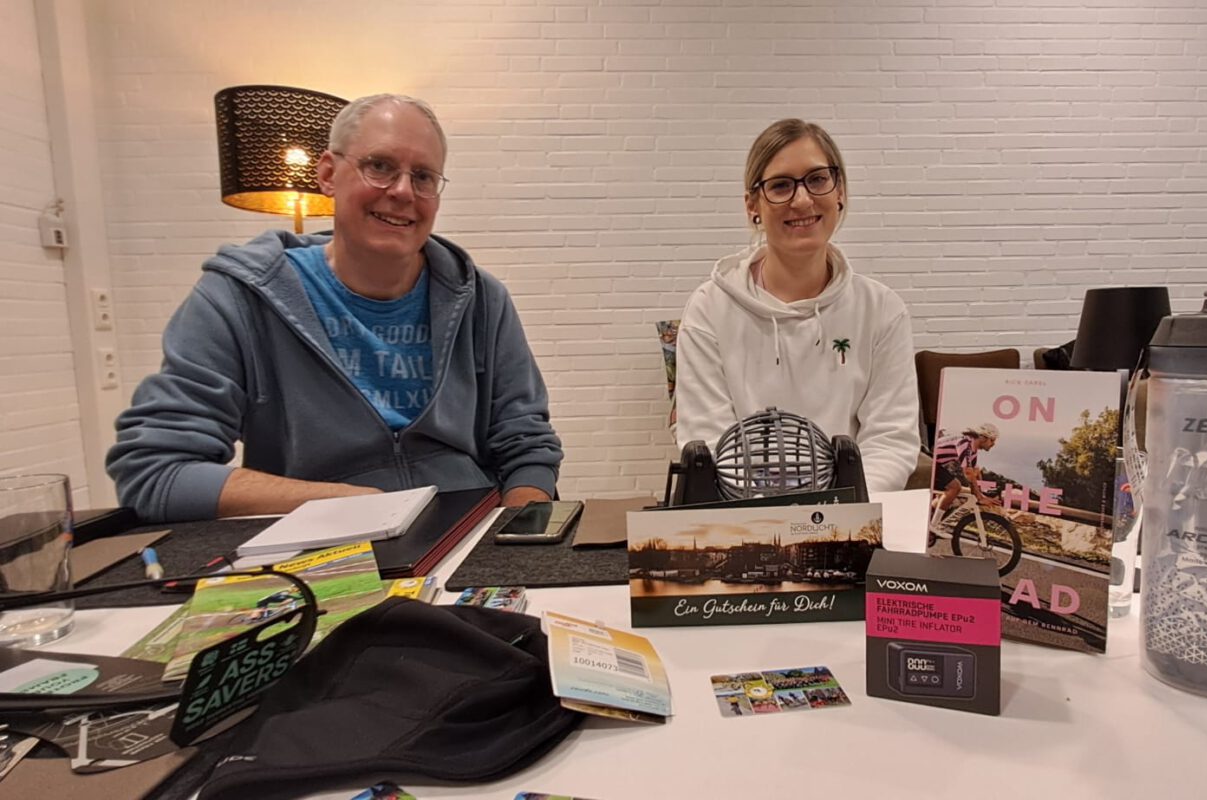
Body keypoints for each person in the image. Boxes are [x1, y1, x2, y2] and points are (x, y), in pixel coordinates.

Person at [107, 94, 561, 522]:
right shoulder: (238, 298)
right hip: (315, 544)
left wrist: (519, 535)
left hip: (466, 533)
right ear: (327, 174)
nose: (403, 191)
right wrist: (353, 504)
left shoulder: (483, 299)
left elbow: (526, 445)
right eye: (379, 166)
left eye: (423, 176)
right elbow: (155, 471)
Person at [673, 119, 920, 493]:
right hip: (744, 516)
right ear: (752, 205)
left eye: (817, 179)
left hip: (851, 515)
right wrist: (774, 516)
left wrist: (839, 513)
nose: (802, 200)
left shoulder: (882, 310)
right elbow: (708, 441)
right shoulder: (708, 309)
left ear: (840, 191)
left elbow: (891, 440)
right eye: (780, 185)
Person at [931, 423, 1000, 517]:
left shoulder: (973, 449)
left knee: (951, 493)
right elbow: (968, 472)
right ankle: (933, 523)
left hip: (936, 464)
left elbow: (975, 473)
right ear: (983, 437)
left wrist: (981, 494)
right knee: (955, 487)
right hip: (930, 461)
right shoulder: (965, 443)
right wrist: (979, 497)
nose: (993, 444)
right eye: (992, 440)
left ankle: (931, 515)